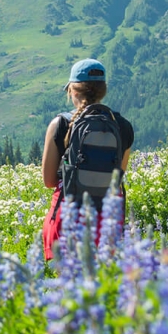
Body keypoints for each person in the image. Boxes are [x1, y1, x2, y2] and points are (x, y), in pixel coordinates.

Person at [40, 58, 134, 261]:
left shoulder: (60, 124)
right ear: (104, 90)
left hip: (68, 218)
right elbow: (117, 177)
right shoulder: (123, 126)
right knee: (104, 287)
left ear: (72, 90)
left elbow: (48, 181)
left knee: (68, 287)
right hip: (107, 220)